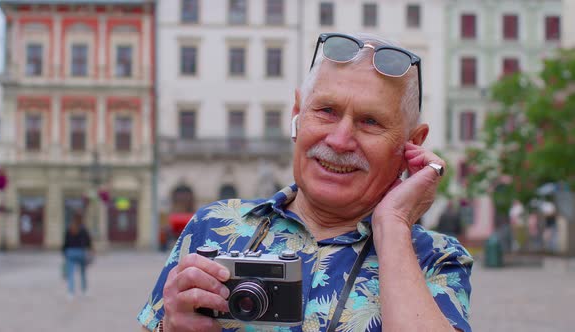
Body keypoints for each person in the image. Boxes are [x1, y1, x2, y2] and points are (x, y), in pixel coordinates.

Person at [138, 32, 473, 332]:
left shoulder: (435, 258)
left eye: (370, 121)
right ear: (297, 113)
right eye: (326, 111)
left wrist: (395, 225)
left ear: (411, 143)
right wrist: (171, 327)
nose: (340, 140)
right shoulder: (212, 226)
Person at [62, 212, 93, 297]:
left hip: (70, 252)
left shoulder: (70, 228)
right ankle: (84, 290)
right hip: (81, 252)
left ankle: (70, 292)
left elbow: (65, 242)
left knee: (71, 273)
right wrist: (90, 250)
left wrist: (64, 252)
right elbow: (88, 242)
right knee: (83, 273)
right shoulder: (83, 229)